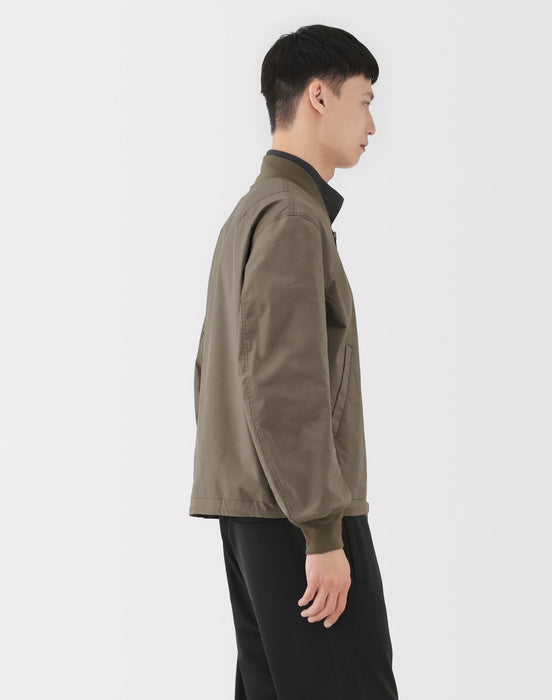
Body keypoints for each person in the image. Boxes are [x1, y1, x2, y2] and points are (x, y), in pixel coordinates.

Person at [190, 23, 398, 700]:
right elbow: (283, 387)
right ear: (318, 96)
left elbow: (210, 374)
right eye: (364, 101)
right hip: (295, 517)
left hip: (254, 513)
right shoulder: (291, 218)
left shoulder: (250, 215)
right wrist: (321, 531)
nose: (371, 124)